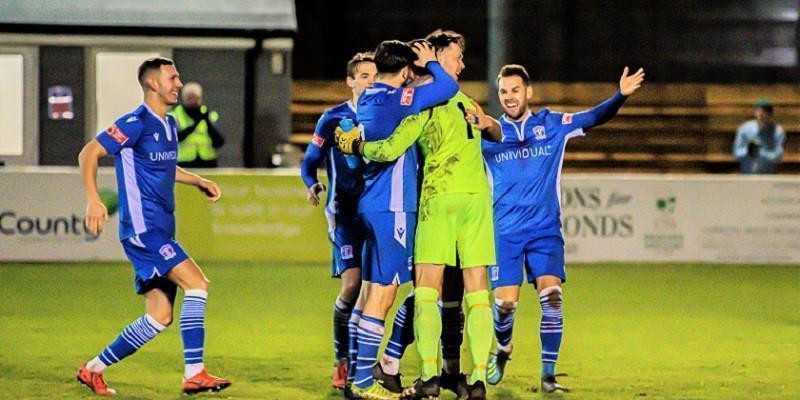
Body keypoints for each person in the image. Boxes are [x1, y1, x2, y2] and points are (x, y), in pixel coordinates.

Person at [337, 30, 496, 400]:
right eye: (456, 57)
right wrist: (490, 124)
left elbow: (389, 147)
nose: (462, 63)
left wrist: (357, 145)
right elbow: (494, 130)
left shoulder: (418, 106)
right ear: (438, 61)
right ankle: (475, 381)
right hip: (470, 202)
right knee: (476, 294)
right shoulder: (454, 99)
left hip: (435, 202)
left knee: (424, 291)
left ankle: (427, 377)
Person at [471, 64, 644, 393]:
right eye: (504, 92)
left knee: (551, 297)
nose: (509, 97)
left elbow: (592, 117)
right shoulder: (488, 133)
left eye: (515, 90)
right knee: (505, 306)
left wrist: (619, 96)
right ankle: (504, 348)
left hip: (544, 231)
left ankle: (548, 375)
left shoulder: (551, 124)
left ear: (529, 92)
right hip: (504, 233)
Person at [75, 57, 230, 396]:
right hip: (144, 231)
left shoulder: (169, 124)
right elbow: (89, 153)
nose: (178, 83)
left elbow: (167, 168)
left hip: (160, 229)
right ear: (152, 85)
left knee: (159, 317)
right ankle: (194, 373)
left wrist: (198, 180)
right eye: (173, 78)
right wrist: (93, 199)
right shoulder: (135, 123)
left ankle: (92, 369)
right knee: (198, 284)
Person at [345, 39, 459, 400]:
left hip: (370, 205)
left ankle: (358, 377)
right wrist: (433, 63)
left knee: (374, 292)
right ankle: (363, 382)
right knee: (385, 293)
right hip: (393, 207)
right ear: (407, 70)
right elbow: (447, 88)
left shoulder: (367, 98)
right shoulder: (401, 101)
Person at [299, 51, 377, 391]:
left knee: (376, 290)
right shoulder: (333, 119)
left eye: (374, 75)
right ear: (350, 81)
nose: (369, 81)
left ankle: (367, 364)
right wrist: (311, 183)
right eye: (362, 76)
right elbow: (309, 162)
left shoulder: (387, 117)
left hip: (378, 214)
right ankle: (342, 360)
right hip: (344, 212)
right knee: (352, 285)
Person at [170, 82, 225, 168]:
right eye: (190, 98)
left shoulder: (209, 116)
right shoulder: (174, 116)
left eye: (195, 98)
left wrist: (207, 122)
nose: (193, 101)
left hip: (208, 164)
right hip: (184, 164)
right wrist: (195, 125)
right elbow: (175, 139)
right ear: (183, 98)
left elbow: (219, 142)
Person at [733, 99, 785, 174]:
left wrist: (761, 152)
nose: (762, 114)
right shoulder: (744, 129)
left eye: (765, 111)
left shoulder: (777, 131)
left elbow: (778, 157)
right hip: (747, 175)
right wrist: (748, 151)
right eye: (759, 111)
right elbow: (737, 154)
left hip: (768, 176)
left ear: (770, 113)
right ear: (755, 112)